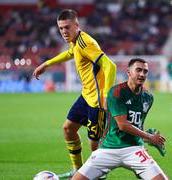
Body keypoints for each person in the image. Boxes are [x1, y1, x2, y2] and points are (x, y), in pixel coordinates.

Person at [33, 9, 116, 178]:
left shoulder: (86, 43)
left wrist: (107, 96)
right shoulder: (75, 41)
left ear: (77, 25)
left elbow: (110, 66)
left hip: (97, 102)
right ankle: (78, 170)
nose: (64, 31)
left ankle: (98, 175)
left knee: (94, 147)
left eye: (67, 27)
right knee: (68, 129)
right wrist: (47, 64)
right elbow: (70, 53)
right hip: (86, 96)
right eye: (61, 28)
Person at [72, 58, 168, 180]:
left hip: (134, 149)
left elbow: (138, 124)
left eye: (145, 71)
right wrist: (149, 137)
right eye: (138, 70)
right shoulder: (117, 92)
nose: (142, 74)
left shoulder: (148, 97)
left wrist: (143, 141)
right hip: (108, 148)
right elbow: (123, 125)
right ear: (128, 72)